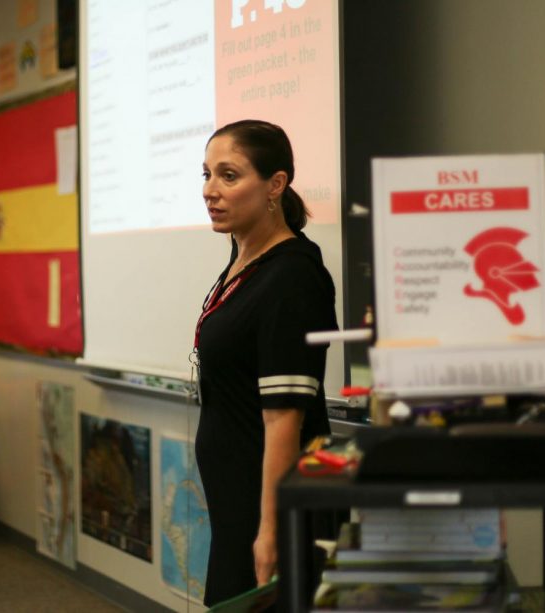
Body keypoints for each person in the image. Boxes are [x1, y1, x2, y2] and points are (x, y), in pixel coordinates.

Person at [194, 119, 337, 606]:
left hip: (269, 509)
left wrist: (271, 531)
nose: (211, 190)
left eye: (229, 176)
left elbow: (283, 419)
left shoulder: (292, 277)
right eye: (207, 175)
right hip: (236, 505)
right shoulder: (244, 260)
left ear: (276, 185)